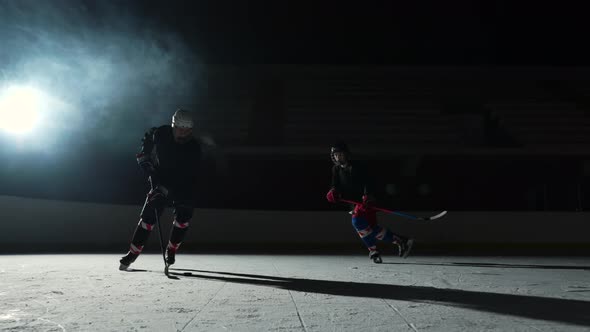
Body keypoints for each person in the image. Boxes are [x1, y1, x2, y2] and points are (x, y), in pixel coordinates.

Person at [119, 108, 208, 270]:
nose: (184, 134)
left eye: (188, 130)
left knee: (183, 218)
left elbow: (187, 175)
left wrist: (165, 189)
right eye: (181, 129)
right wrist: (145, 156)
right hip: (161, 177)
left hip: (185, 184)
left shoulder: (193, 148)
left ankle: (171, 250)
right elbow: (148, 141)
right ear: (173, 126)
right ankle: (132, 254)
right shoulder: (160, 133)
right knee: (148, 217)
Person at [326, 142, 414, 263]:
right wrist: (333, 192)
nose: (338, 157)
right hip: (353, 203)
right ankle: (400, 240)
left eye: (340, 154)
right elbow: (335, 185)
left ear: (346, 154)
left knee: (357, 221)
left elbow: (368, 181)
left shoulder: (356, 166)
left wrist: (367, 195)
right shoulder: (335, 169)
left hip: (366, 201)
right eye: (336, 155)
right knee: (371, 228)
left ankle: (373, 250)